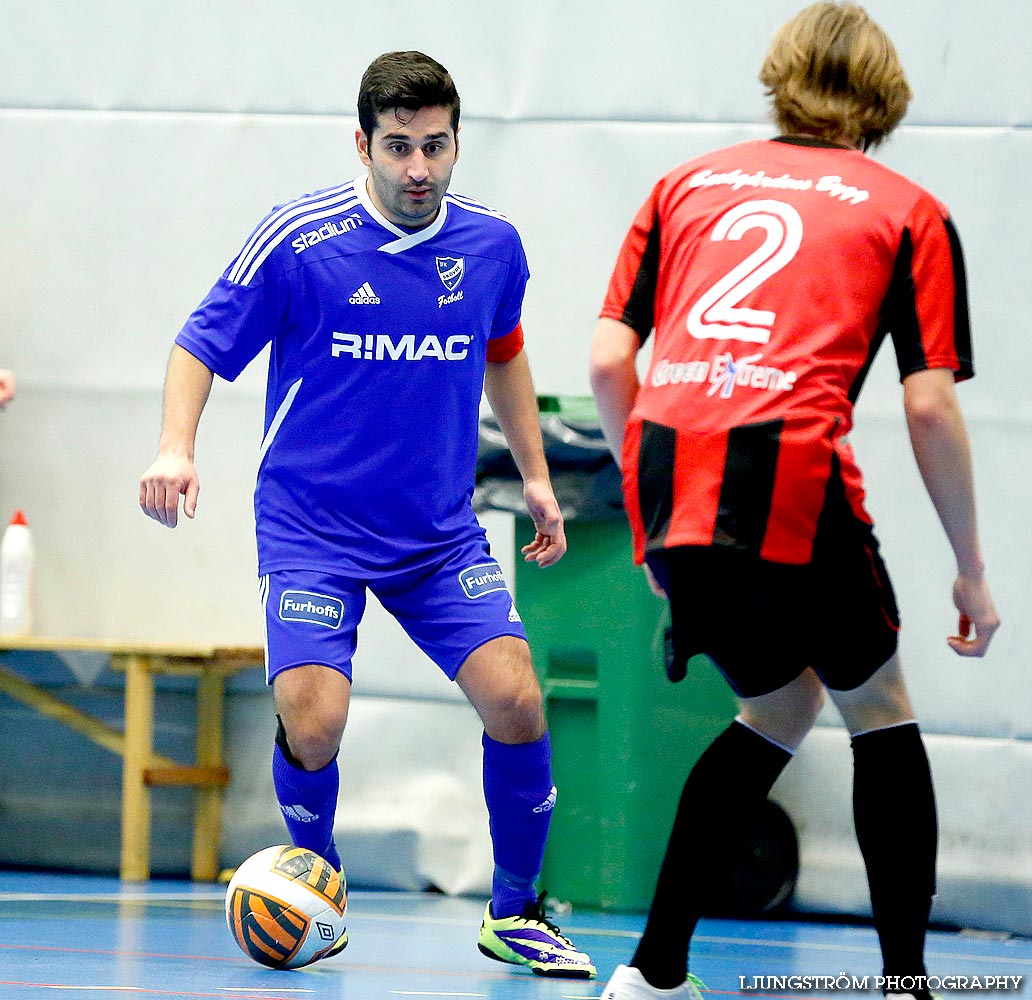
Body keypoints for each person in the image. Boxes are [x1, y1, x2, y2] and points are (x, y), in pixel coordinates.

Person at [139, 50, 594, 979]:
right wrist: (176, 448)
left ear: (457, 142)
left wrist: (537, 475)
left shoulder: (491, 245)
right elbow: (199, 343)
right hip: (312, 529)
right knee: (315, 720)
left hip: (436, 533)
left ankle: (516, 912)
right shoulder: (300, 240)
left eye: (435, 146)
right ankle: (321, 885)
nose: (419, 168)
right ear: (364, 144)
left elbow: (504, 353)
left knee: (516, 698)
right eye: (398, 147)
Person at [589, 4, 1000, 999]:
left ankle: (651, 974)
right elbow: (929, 404)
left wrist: (652, 506)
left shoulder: (683, 186)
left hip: (668, 475)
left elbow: (609, 359)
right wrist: (972, 569)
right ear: (884, 98)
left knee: (777, 703)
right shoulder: (905, 209)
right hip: (787, 476)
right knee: (878, 706)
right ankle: (907, 983)